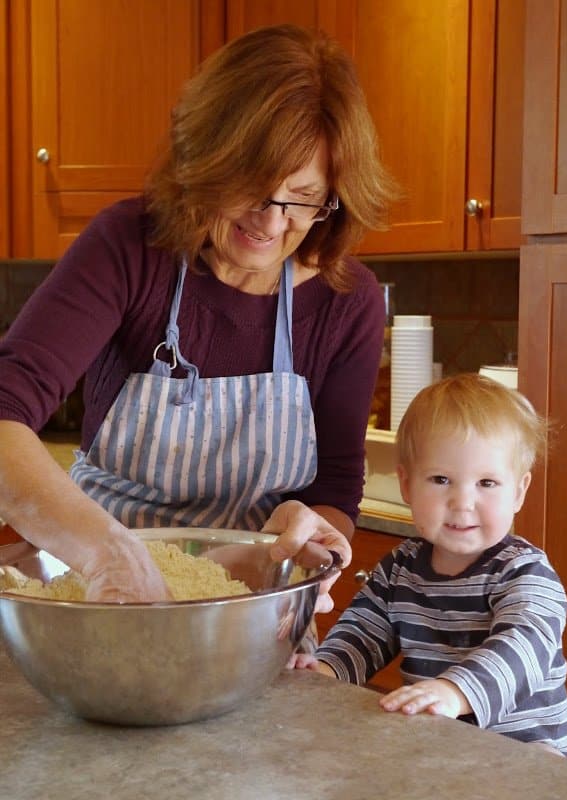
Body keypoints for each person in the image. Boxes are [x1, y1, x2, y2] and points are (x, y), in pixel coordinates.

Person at [0, 24, 396, 604]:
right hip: (102, 593)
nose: (269, 221)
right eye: (251, 188)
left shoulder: (347, 301)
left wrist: (314, 534)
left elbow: (336, 486)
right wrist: (105, 553)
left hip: (252, 610)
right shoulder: (130, 248)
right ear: (205, 162)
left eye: (302, 198)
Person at [293, 373, 567, 755]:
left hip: (525, 758)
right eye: (441, 479)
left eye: (487, 483)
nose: (462, 502)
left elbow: (525, 644)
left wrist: (455, 691)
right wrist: (325, 671)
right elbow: (362, 634)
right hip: (440, 750)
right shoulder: (399, 569)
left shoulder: (525, 572)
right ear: (407, 486)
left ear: (519, 491)